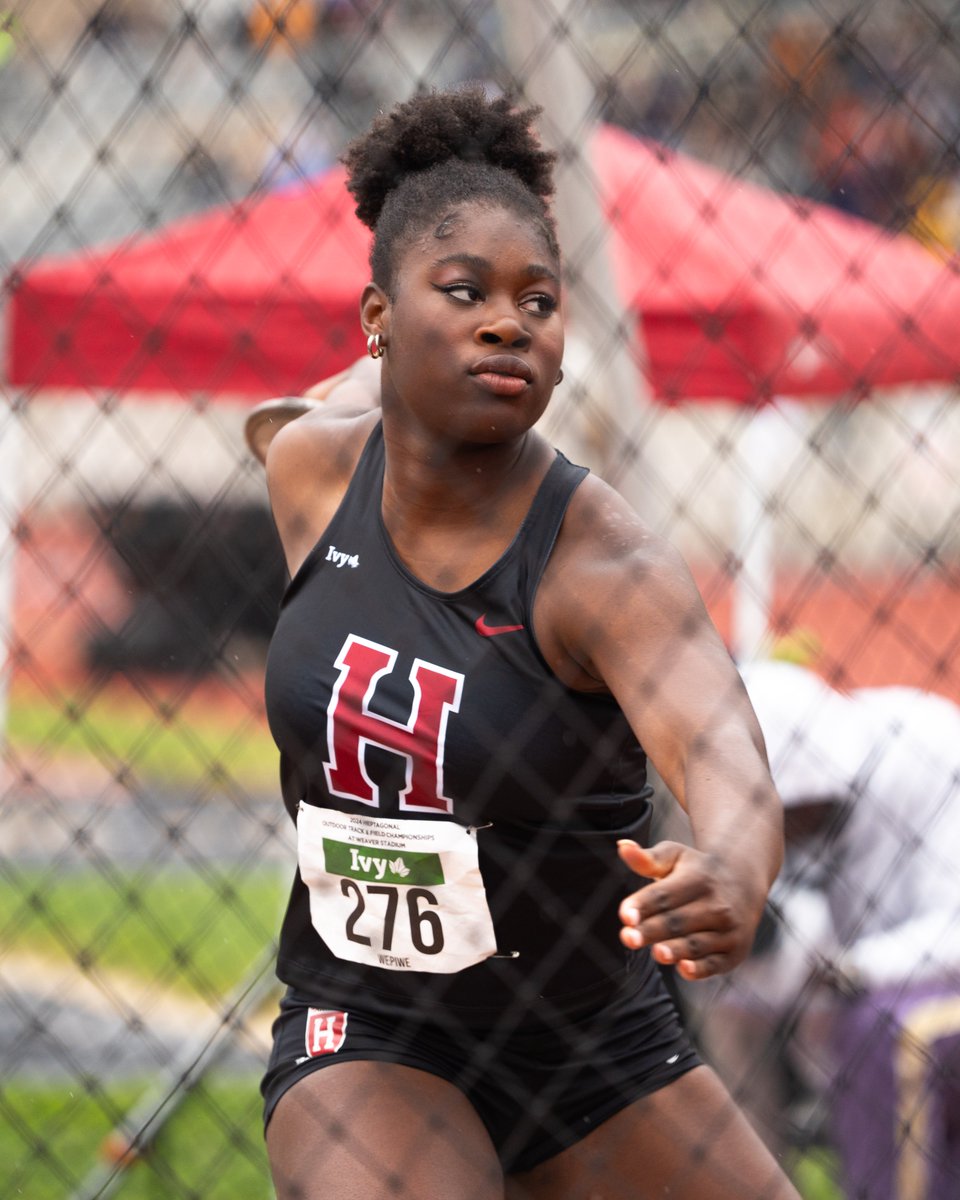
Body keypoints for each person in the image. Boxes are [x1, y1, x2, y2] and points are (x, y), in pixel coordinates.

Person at [257, 87, 799, 1200]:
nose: (510, 323)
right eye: (466, 294)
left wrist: (735, 868)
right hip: (370, 1025)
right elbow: (287, 419)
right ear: (376, 315)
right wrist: (396, 370)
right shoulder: (312, 472)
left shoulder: (603, 563)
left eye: (539, 303)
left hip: (591, 1042)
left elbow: (718, 745)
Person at [701, 658, 960, 1200]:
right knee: (724, 995)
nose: (778, 831)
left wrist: (852, 969)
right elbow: (805, 941)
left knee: (885, 1023)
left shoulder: (925, 743)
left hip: (925, 984)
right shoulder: (805, 824)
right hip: (863, 977)